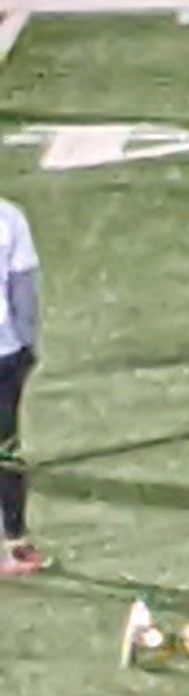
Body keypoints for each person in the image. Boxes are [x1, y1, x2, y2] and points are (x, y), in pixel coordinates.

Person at [0, 184, 40, 582]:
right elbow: (23, 286)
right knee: (5, 448)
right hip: (3, 351)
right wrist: (28, 344)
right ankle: (13, 538)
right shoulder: (8, 218)